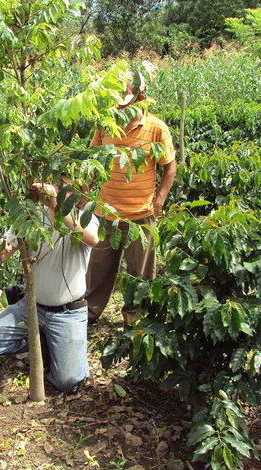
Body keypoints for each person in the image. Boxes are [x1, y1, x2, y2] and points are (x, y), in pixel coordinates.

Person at [0, 179, 100, 393]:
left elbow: (91, 239)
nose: (63, 192)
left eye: (69, 189)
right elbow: (1, 256)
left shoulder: (85, 219)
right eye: (59, 186)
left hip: (68, 313)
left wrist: (56, 207)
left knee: (68, 382)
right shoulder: (30, 218)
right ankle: (43, 342)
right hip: (32, 306)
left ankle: (60, 348)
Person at [85, 72, 177, 325]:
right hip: (105, 214)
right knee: (98, 270)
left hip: (141, 216)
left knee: (140, 274)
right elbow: (94, 163)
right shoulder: (104, 125)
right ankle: (89, 314)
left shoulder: (157, 128)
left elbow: (170, 167)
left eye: (125, 102)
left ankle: (134, 320)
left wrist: (160, 199)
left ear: (141, 97)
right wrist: (83, 192)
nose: (120, 108)